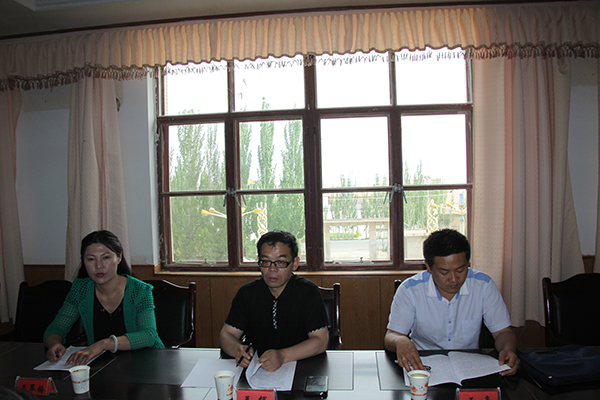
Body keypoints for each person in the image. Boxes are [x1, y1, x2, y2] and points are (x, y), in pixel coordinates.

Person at [384, 229, 520, 376]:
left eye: (460, 270)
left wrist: (508, 350)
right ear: (428, 267)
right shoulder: (410, 290)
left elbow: (503, 332)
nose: (454, 279)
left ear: (468, 263)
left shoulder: (484, 285)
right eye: (444, 272)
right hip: (424, 368)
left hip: (470, 368)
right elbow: (391, 335)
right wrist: (399, 341)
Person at [44, 230, 163, 365]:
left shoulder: (140, 290)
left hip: (147, 361)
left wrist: (104, 344)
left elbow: (148, 335)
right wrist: (54, 344)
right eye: (91, 259)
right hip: (103, 364)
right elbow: (56, 329)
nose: (98, 266)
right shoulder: (80, 289)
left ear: (119, 257)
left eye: (105, 258)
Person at [220, 230, 329, 372]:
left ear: (295, 263)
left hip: (302, 367)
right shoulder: (247, 293)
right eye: (265, 262)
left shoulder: (308, 292)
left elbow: (321, 341)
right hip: (258, 369)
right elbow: (226, 334)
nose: (272, 269)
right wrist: (237, 349)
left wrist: (282, 356)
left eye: (281, 262)